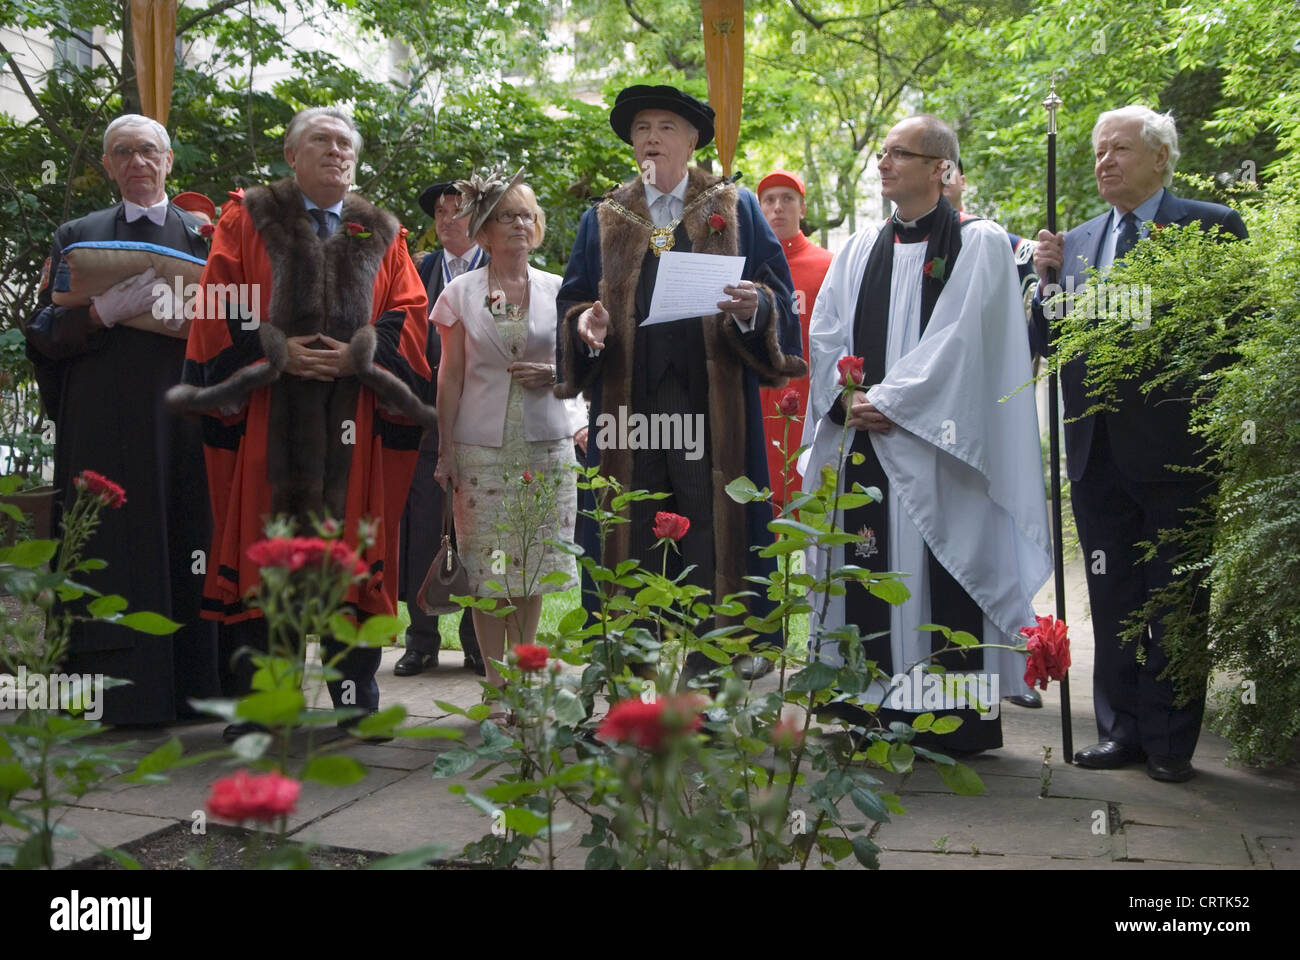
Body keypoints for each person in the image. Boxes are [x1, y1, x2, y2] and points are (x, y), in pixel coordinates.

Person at [167, 106, 434, 741]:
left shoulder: (380, 231)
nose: (337, 152)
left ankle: (353, 699)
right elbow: (219, 299)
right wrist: (274, 352)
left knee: (353, 550)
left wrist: (359, 354)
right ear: (292, 155)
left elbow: (409, 310)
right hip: (271, 417)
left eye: (346, 144)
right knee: (267, 552)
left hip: (354, 420)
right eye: (321, 141)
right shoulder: (248, 218)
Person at [800, 115, 1052, 753]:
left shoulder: (982, 243)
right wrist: (846, 398)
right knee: (865, 561)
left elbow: (965, 345)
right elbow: (826, 331)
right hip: (864, 447)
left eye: (899, 154)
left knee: (940, 571)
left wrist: (889, 401)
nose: (883, 163)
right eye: (882, 153)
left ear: (940, 169)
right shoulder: (858, 248)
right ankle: (867, 708)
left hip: (941, 447)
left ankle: (953, 722)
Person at [555, 85, 804, 685]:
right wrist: (584, 322)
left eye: (667, 126)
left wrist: (753, 307)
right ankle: (626, 658)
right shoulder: (607, 214)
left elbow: (775, 292)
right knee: (630, 524)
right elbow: (573, 297)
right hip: (627, 402)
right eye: (642, 127)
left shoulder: (733, 207)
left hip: (708, 405)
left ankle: (712, 658)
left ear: (692, 142)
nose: (652, 137)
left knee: (711, 524)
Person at [1032, 105, 1248, 782]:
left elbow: (1236, 336)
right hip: (1095, 454)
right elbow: (1046, 345)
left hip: (1176, 455)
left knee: (1177, 602)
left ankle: (1170, 742)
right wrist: (1041, 285)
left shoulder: (1210, 228)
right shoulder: (1076, 240)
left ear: (1160, 157)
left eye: (1119, 149)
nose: (1104, 162)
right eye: (1099, 152)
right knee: (1113, 598)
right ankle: (1120, 730)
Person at [23, 113, 220, 725]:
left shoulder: (205, 238)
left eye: (147, 151)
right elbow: (42, 334)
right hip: (101, 425)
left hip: (182, 424)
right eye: (122, 153)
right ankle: (108, 700)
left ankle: (194, 690)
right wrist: (100, 313)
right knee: (106, 544)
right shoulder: (75, 236)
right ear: (106, 166)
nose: (136, 162)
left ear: (167, 161)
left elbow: (238, 324)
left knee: (188, 543)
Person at [432, 167, 587, 691]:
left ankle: (524, 679)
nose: (519, 225)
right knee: (490, 572)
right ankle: (496, 688)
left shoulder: (560, 289)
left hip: (547, 445)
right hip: (480, 450)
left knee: (534, 569)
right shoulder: (461, 291)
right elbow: (449, 375)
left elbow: (579, 365)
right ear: (483, 230)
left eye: (527, 215)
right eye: (505, 216)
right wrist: (444, 451)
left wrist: (556, 375)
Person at [944, 157, 1044, 710]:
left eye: (952, 172)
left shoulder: (1003, 242)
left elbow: (1033, 316)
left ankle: (1013, 662)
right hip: (931, 415)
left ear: (958, 178)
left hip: (992, 405)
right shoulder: (894, 244)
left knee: (999, 530)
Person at [393, 179, 485, 678]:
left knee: (477, 528)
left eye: (458, 209)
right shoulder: (419, 267)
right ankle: (420, 640)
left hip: (483, 418)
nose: (447, 218)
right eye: (440, 211)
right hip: (424, 422)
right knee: (423, 528)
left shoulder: (498, 270)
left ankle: (475, 639)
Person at [756, 169, 833, 512]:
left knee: (809, 515)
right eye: (769, 200)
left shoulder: (829, 266)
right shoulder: (744, 267)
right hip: (755, 413)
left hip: (807, 413)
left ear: (802, 208)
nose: (777, 208)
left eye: (787, 199)